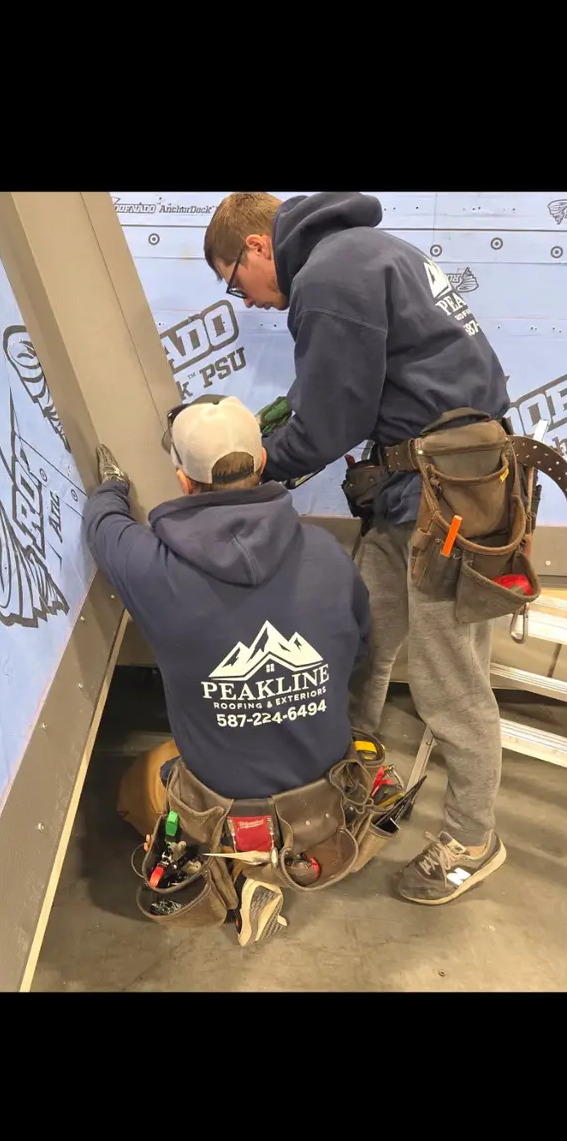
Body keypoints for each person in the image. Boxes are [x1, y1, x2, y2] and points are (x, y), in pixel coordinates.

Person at [203, 189, 512, 906]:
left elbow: (326, 425)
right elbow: (333, 395)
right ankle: (354, 774)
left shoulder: (332, 276)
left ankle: (472, 837)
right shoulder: (365, 254)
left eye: (231, 280)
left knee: (447, 683)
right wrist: (263, 425)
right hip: (419, 488)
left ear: (255, 248)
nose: (243, 302)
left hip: (451, 499)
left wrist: (241, 469)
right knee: (360, 634)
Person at [84, 394, 375, 945]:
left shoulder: (150, 568)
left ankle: (232, 872)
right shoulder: (328, 555)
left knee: (136, 784)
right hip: (329, 796)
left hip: (225, 806)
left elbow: (104, 526)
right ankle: (277, 863)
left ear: (183, 481)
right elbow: (358, 650)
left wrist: (112, 487)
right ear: (261, 462)